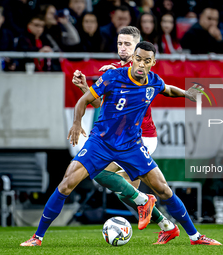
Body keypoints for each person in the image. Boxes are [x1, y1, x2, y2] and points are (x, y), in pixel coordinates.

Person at [20, 41, 221, 246]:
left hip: (132, 145)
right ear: (133, 58)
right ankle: (37, 237)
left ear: (153, 62)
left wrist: (187, 94)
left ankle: (195, 237)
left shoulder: (154, 82)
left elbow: (168, 89)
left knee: (164, 190)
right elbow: (84, 101)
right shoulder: (112, 77)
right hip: (101, 142)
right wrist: (76, 123)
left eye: (147, 61)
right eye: (139, 59)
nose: (142, 64)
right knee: (66, 185)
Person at [74, 26, 179, 244]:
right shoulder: (112, 72)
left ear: (138, 47)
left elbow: (166, 89)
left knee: (103, 176)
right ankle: (166, 225)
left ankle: (175, 224)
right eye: (120, 43)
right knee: (125, 192)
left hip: (142, 138)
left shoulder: (142, 70)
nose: (123, 48)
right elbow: (103, 106)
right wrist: (86, 88)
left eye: (128, 44)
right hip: (120, 140)